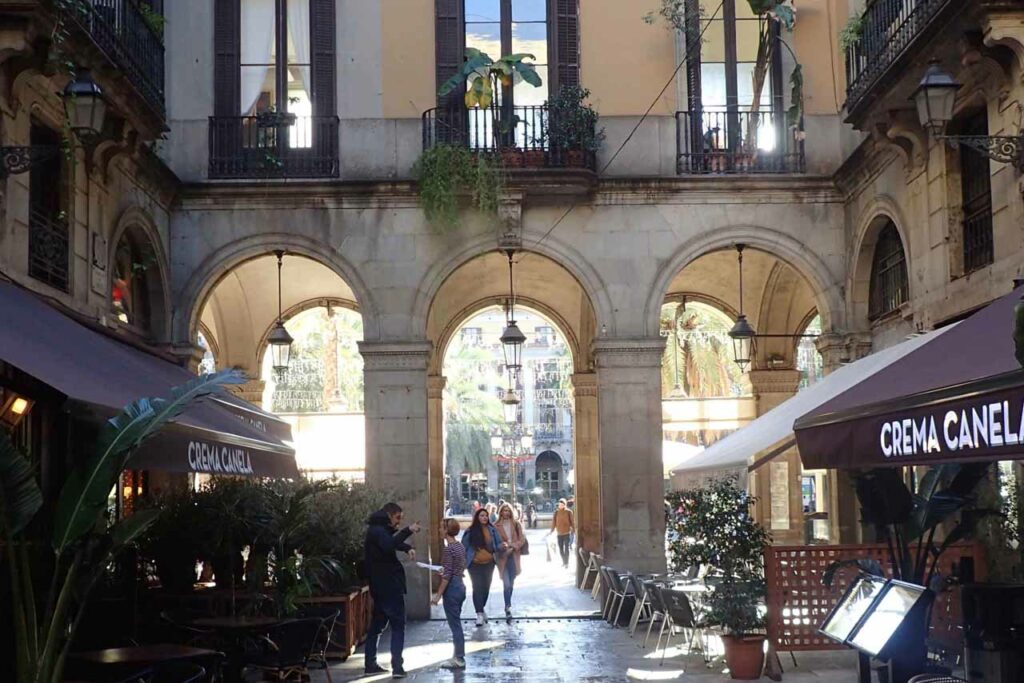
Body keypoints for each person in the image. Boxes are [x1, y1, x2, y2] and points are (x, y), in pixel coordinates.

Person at [363, 502, 421, 678]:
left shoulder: (377, 529)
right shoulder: (378, 530)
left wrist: (406, 547)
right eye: (397, 518)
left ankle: (370, 664)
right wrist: (408, 530)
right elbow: (388, 544)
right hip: (389, 586)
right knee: (397, 627)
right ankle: (397, 667)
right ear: (389, 515)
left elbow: (390, 541)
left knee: (377, 627)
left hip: (380, 587)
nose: (398, 522)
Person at [432, 518, 467, 670]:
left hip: (452, 588)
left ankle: (459, 658)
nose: (440, 530)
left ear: (447, 530)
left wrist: (438, 594)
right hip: (460, 585)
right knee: (456, 623)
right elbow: (455, 567)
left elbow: (446, 576)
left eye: (441, 528)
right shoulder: (459, 546)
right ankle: (457, 656)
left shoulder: (448, 549)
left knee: (455, 625)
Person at [461, 507, 500, 626]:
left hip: (489, 563)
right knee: (477, 587)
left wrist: (502, 546)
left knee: (486, 588)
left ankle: (481, 609)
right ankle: (479, 613)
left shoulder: (492, 529)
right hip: (474, 564)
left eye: (486, 516)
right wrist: (462, 563)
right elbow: (464, 547)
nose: (484, 518)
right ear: (477, 517)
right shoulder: (471, 531)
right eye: (481, 516)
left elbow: (497, 544)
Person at [494, 503, 525, 619]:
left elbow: (522, 540)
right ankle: (507, 606)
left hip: (514, 557)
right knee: (506, 584)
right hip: (503, 558)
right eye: (504, 510)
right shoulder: (495, 526)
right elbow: (494, 543)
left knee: (511, 583)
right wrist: (503, 547)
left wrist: (512, 546)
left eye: (508, 511)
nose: (506, 513)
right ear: (500, 512)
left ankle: (508, 604)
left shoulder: (516, 524)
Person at [548, 498, 575, 569]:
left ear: (565, 505)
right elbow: (554, 522)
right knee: (560, 549)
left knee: (567, 548)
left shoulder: (568, 512)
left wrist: (573, 530)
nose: (561, 506)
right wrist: (551, 531)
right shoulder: (556, 512)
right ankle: (564, 561)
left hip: (567, 533)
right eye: (560, 504)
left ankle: (567, 563)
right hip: (559, 533)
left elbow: (572, 522)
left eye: (562, 504)